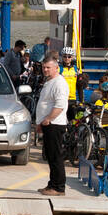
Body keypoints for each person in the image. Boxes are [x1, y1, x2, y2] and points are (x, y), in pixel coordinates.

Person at [35, 53, 68, 196]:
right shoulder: (49, 81)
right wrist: (40, 123)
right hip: (47, 124)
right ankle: (52, 184)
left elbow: (60, 105)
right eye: (44, 67)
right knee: (49, 155)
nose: (45, 70)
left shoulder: (59, 83)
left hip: (55, 124)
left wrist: (48, 119)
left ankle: (59, 187)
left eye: (48, 67)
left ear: (57, 68)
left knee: (55, 156)